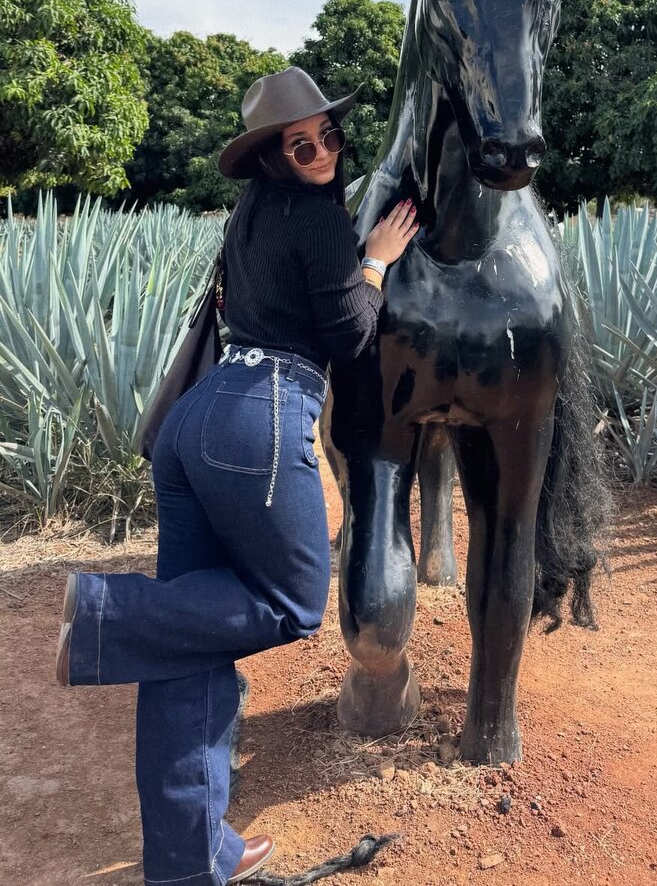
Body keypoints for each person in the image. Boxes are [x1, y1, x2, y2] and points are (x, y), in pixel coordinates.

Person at [55, 67, 419, 885]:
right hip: (261, 417)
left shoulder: (248, 213)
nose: (322, 153)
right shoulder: (320, 219)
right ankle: (109, 612)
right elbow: (350, 336)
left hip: (198, 419)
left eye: (327, 136)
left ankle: (189, 859)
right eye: (301, 145)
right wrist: (376, 261)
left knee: (187, 646)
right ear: (270, 155)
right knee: (294, 602)